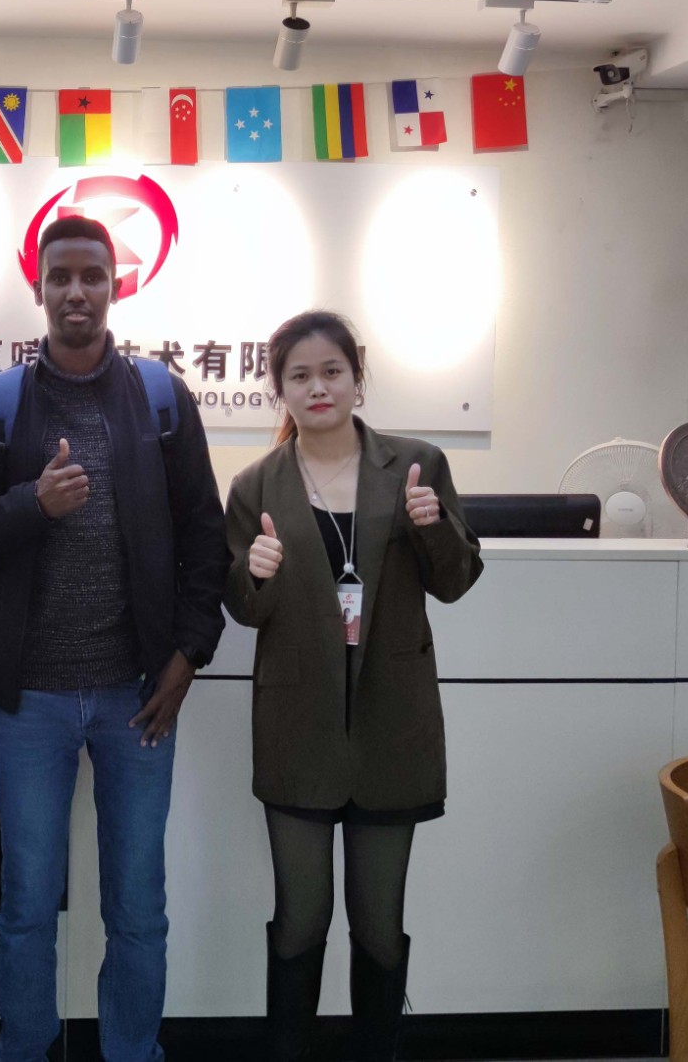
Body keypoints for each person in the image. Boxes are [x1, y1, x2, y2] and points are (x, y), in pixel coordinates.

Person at [0, 216, 229, 1062]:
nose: (77, 291)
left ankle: (132, 1051)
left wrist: (188, 655)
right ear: (39, 288)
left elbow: (205, 535)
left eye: (93, 276)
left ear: (115, 285)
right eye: (61, 276)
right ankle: (25, 1049)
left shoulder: (161, 400)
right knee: (28, 904)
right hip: (27, 697)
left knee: (137, 906)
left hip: (136, 694)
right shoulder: (0, 406)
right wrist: (34, 503)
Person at [223, 310, 484, 1061]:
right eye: (300, 375)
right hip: (297, 728)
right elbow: (243, 607)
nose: (318, 387)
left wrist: (433, 526)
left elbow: (456, 580)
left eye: (332, 371)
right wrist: (253, 574)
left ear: (357, 379)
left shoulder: (416, 465)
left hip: (391, 726)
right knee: (300, 922)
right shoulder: (255, 484)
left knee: (377, 926)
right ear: (280, 389)